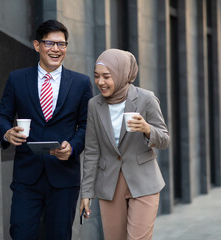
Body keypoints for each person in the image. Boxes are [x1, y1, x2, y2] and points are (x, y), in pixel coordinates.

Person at [0, 19, 93, 240]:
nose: (56, 49)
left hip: (64, 177)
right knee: (21, 233)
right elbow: (1, 117)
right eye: (50, 43)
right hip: (27, 176)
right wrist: (7, 133)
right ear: (37, 45)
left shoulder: (81, 83)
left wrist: (73, 147)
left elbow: (88, 125)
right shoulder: (18, 79)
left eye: (62, 44)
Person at [80, 49, 170, 240]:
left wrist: (147, 128)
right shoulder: (94, 105)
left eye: (106, 76)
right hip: (109, 184)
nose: (100, 82)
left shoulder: (146, 99)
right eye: (96, 76)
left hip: (143, 181)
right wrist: (86, 193)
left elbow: (164, 139)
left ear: (122, 74)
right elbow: (92, 152)